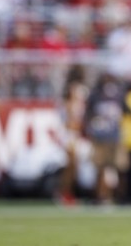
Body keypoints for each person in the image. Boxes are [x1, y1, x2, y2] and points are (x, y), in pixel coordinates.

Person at [83, 72, 125, 205]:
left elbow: (127, 111)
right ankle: (102, 196)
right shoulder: (98, 95)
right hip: (102, 136)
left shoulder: (117, 95)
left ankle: (112, 196)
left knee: (114, 169)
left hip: (111, 136)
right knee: (101, 168)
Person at [57, 64, 89, 206]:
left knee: (74, 166)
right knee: (70, 165)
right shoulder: (69, 100)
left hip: (74, 134)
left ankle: (69, 193)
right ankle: (64, 193)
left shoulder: (74, 96)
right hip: (70, 134)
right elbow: (69, 119)